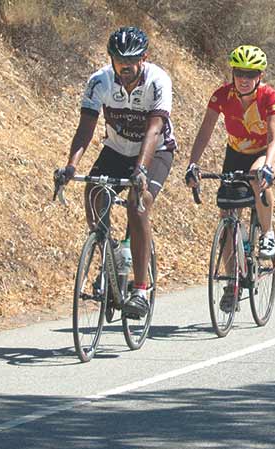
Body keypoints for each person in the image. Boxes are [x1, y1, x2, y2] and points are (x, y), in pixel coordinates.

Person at [54, 26, 176, 320]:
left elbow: (155, 127)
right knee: (94, 191)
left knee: (139, 202)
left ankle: (141, 290)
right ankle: (109, 257)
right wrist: (71, 166)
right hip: (117, 149)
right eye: (118, 60)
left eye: (131, 61)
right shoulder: (99, 81)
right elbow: (86, 127)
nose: (124, 67)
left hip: (155, 149)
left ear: (143, 58)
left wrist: (142, 169)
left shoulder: (158, 81)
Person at [184, 45, 275, 311]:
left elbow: (274, 135)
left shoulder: (268, 96)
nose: (244, 78)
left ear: (260, 75)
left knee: (257, 176)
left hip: (268, 149)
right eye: (239, 72)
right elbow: (206, 128)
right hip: (236, 152)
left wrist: (269, 163)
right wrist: (192, 163)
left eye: (250, 73)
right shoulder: (221, 95)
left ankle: (267, 234)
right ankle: (231, 284)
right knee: (227, 218)